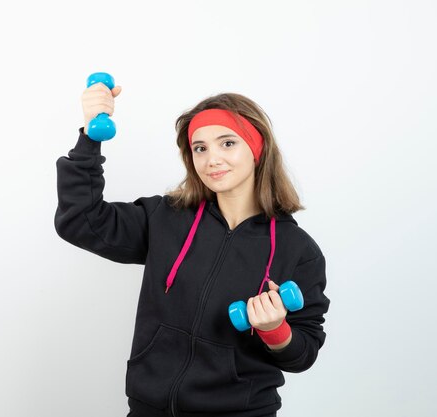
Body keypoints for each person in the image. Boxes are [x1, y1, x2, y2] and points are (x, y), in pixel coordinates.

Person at [54, 82, 330, 417]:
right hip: (148, 410)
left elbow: (302, 355)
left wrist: (275, 330)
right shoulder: (164, 219)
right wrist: (90, 135)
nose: (212, 159)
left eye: (227, 143)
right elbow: (80, 220)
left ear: (257, 148)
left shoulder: (298, 250)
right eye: (199, 148)